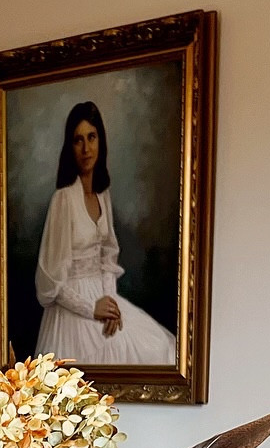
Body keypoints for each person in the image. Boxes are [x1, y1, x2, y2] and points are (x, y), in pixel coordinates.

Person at [33, 100, 177, 366]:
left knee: (160, 346)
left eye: (92, 137)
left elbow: (108, 258)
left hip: (103, 295)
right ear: (70, 147)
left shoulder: (102, 195)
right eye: (78, 140)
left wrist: (110, 304)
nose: (86, 148)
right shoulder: (63, 199)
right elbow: (51, 283)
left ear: (101, 140)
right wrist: (92, 309)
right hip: (72, 306)